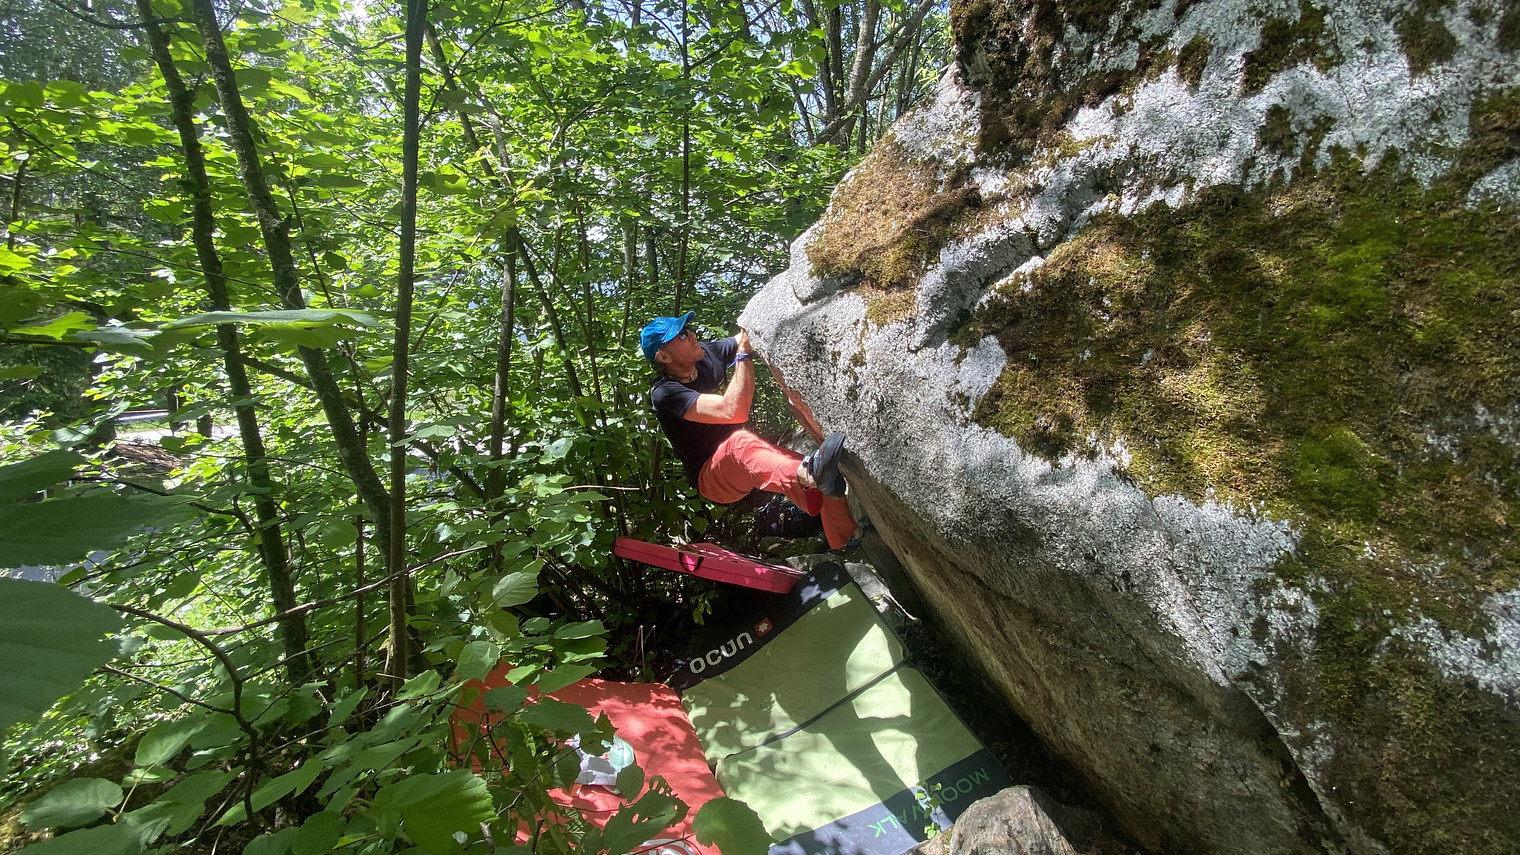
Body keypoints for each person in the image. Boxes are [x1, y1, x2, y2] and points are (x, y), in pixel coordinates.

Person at [641, 311, 857, 549]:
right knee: (743, 444)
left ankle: (849, 537)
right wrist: (744, 353)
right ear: (663, 356)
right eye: (681, 335)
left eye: (687, 329)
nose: (691, 334)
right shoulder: (665, 393)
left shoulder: (704, 354)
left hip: (741, 458)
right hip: (711, 477)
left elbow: (746, 334)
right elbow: (733, 411)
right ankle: (809, 475)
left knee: (823, 476)